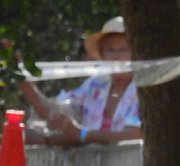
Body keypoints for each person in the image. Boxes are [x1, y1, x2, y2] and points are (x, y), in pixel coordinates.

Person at [17, 16, 142, 147]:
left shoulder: (144, 87)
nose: (116, 56)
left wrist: (82, 134)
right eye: (110, 49)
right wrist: (21, 77)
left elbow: (135, 134)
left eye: (123, 49)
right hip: (94, 160)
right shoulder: (95, 84)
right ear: (102, 54)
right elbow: (51, 112)